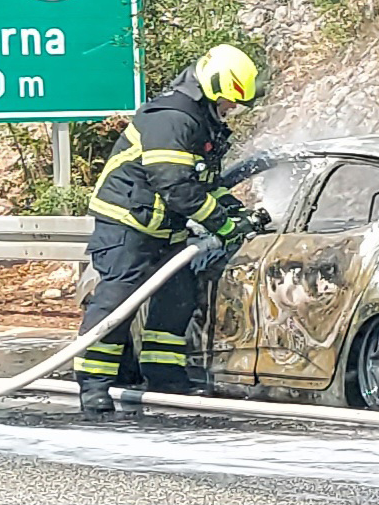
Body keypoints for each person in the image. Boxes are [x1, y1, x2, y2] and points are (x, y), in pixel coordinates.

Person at [74, 44, 259, 418]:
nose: (231, 109)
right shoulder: (172, 119)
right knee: (117, 303)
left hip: (163, 228)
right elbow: (174, 185)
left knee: (177, 297)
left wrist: (235, 210)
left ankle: (164, 377)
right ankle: (93, 385)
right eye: (229, 101)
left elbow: (202, 180)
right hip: (127, 226)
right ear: (214, 87)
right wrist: (222, 224)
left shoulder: (201, 120)